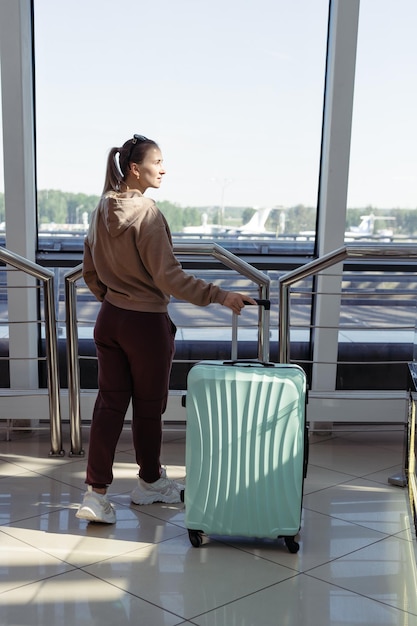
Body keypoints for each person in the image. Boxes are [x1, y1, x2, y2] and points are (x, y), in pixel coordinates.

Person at [76, 133, 256, 523]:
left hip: (109, 320)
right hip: (145, 324)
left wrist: (114, 296)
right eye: (158, 162)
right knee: (148, 406)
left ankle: (95, 494)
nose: (164, 169)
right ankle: (150, 482)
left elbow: (89, 269)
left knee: (108, 405)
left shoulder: (101, 208)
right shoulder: (147, 213)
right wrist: (221, 295)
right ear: (136, 169)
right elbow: (169, 277)